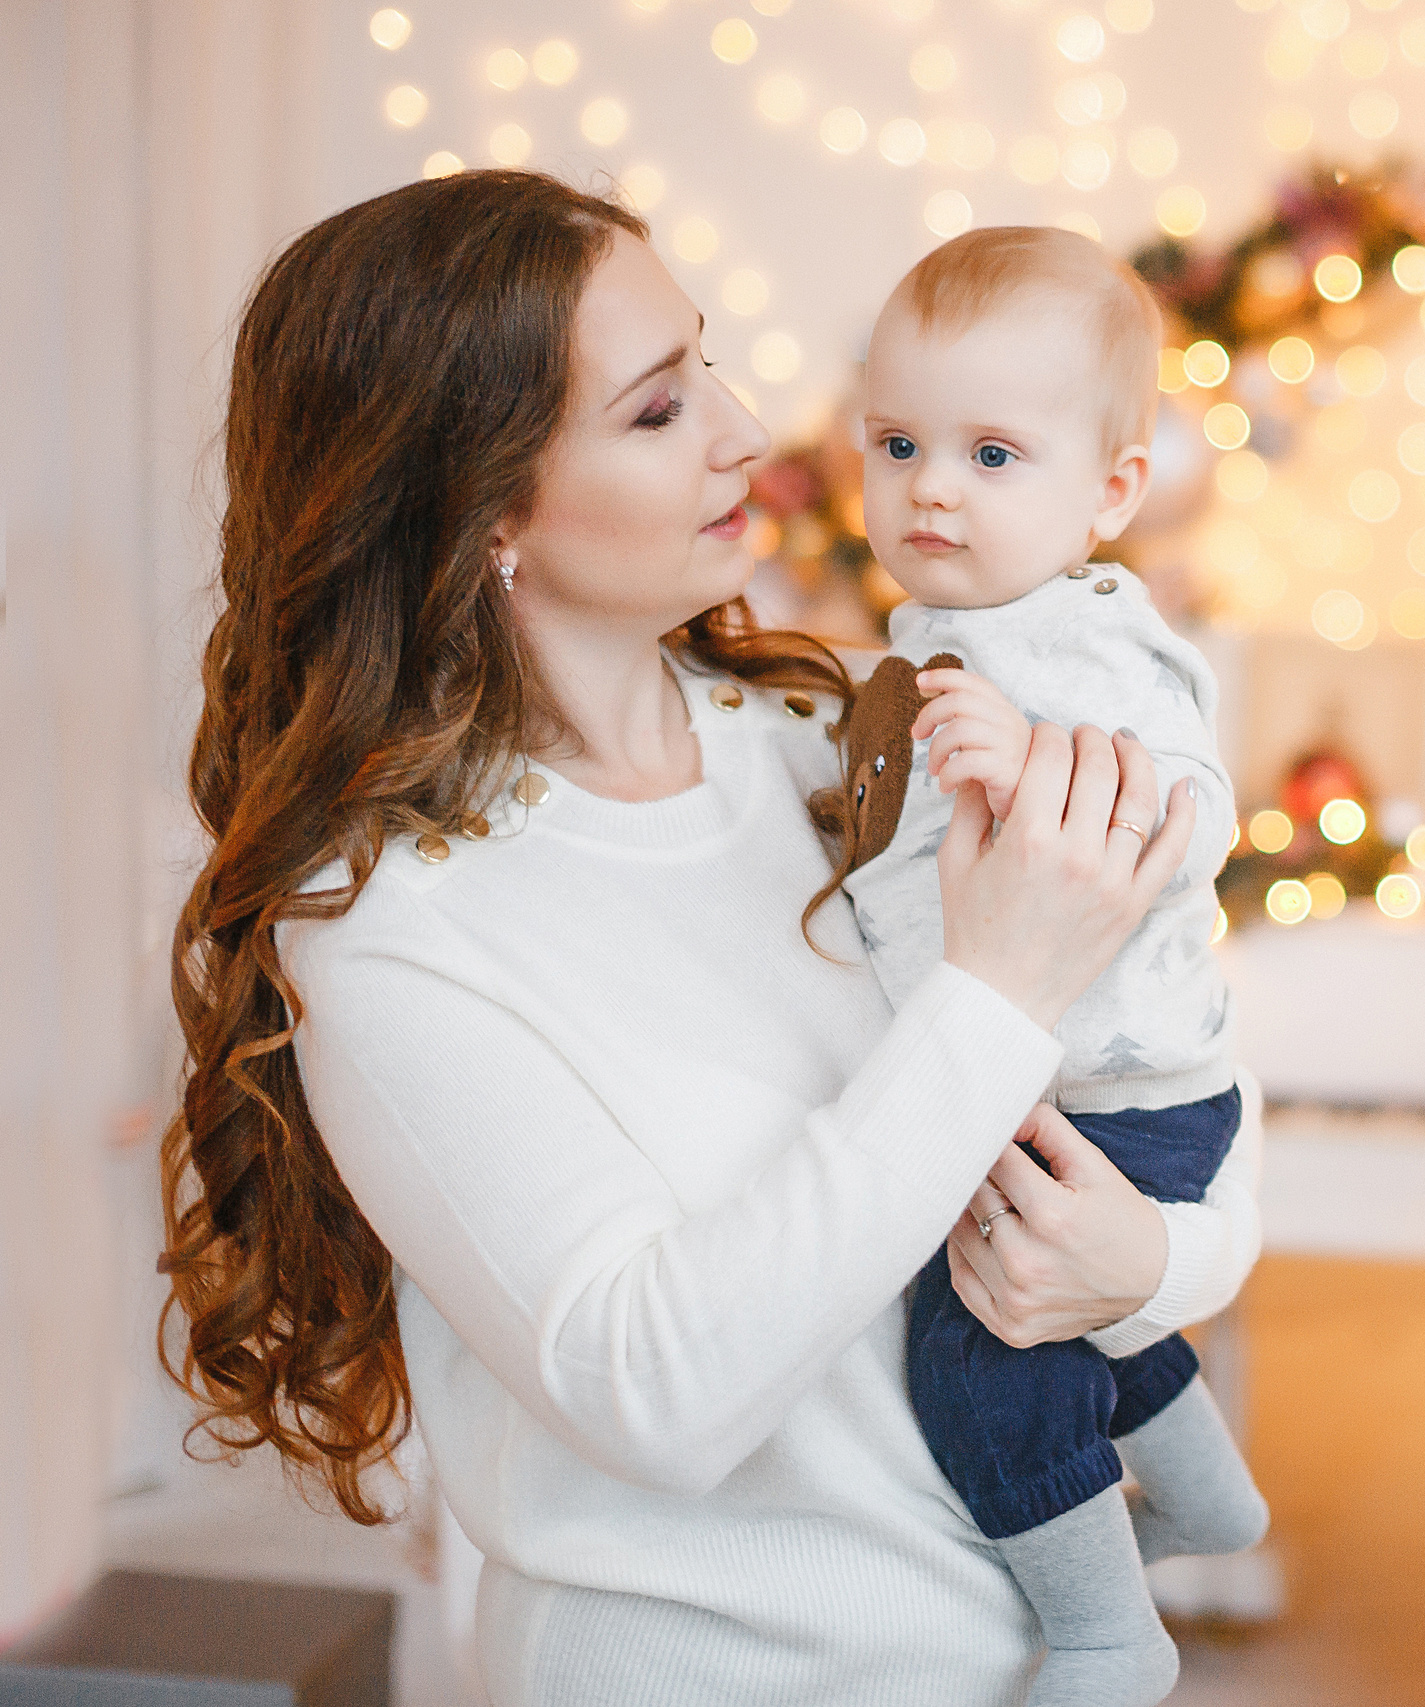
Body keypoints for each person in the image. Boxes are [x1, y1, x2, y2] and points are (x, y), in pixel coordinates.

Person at [156, 169, 1262, 1707]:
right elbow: (656, 1387)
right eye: (661, 407)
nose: (751, 430)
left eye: (712, 359)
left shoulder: (839, 739)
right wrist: (1000, 986)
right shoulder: (389, 921)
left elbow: (1173, 1047)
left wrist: (1150, 1258)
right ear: (482, 508)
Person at [842, 227, 1264, 1707]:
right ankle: (1209, 1501)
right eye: (898, 442)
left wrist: (1038, 765)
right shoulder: (954, 629)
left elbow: (1196, 813)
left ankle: (1102, 1634)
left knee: (983, 1356)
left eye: (992, 454)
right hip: (1086, 1080)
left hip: (1118, 1088)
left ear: (1114, 491)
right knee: (1065, 1301)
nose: (931, 486)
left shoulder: (1079, 649)